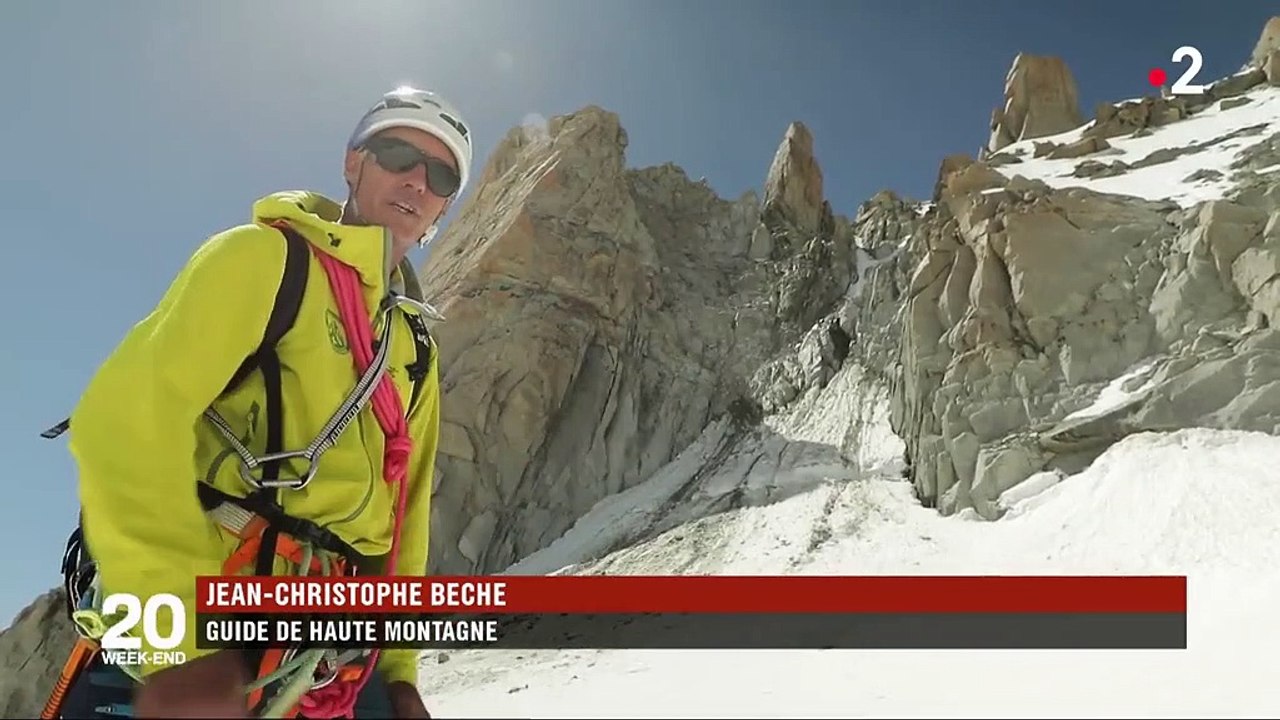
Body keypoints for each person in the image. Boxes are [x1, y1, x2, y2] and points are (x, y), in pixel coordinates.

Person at [55, 85, 472, 718]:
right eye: (396, 153)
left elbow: (405, 520)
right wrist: (183, 650)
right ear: (353, 163)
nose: (417, 180)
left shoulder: (413, 349)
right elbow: (126, 420)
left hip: (332, 663)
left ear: (442, 206)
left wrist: (399, 671)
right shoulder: (261, 262)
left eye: (439, 174)